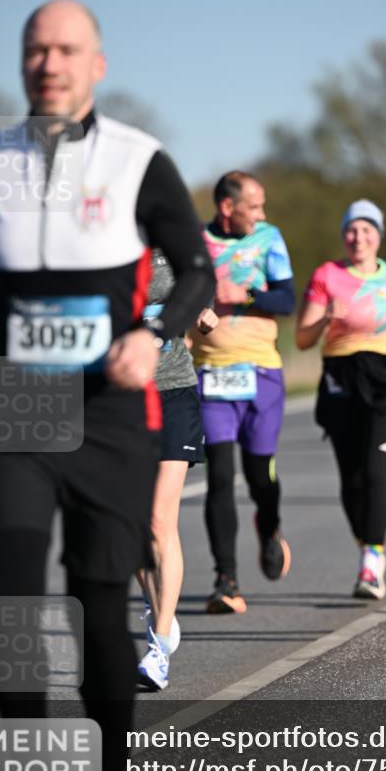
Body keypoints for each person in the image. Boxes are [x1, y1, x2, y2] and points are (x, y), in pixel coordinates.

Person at [0, 0, 215, 771]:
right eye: (36, 49)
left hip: (112, 412)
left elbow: (196, 273)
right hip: (16, 404)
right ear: (22, 61)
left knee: (97, 602)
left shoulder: (138, 160)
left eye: (66, 49)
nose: (49, 62)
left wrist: (154, 332)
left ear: (96, 64)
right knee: (11, 600)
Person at [296, 200, 386, 599]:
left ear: (378, 235)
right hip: (341, 379)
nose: (359, 238)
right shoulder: (327, 275)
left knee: (374, 468)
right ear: (343, 235)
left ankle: (372, 559)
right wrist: (325, 317)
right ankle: (366, 544)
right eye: (352, 230)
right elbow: (302, 339)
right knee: (351, 479)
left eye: (367, 230)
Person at [191, 171, 295, 614]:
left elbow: (287, 300)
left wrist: (246, 295)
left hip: (261, 372)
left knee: (260, 478)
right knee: (219, 476)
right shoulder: (196, 243)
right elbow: (178, 294)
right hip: (211, 373)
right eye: (254, 206)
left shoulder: (269, 238)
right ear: (227, 207)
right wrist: (197, 309)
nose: (261, 213)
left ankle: (269, 528)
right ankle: (226, 580)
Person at [136, 248, 217, 690]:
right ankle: (158, 606)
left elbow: (200, 279)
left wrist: (204, 310)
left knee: (157, 520)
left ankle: (158, 647)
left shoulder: (172, 241)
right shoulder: (101, 243)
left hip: (172, 393)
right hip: (119, 397)